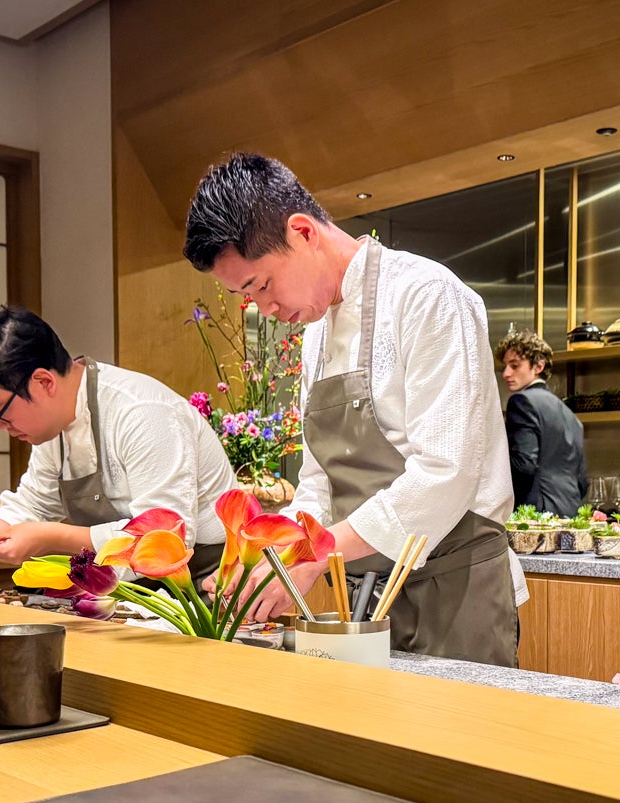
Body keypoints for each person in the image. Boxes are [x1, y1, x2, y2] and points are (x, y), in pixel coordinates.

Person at [184, 152, 523, 667]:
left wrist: (314, 551)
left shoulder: (427, 295)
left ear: (302, 232)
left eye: (260, 286)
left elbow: (445, 473)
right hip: (367, 599)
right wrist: (275, 556)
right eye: (244, 296)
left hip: (456, 590)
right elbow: (319, 482)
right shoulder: (317, 332)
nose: (264, 310)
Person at [0, 306, 237, 578]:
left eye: (0, 411)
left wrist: (52, 537)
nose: (0, 425)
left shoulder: (142, 412)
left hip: (204, 586)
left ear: (44, 382)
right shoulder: (53, 425)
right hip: (124, 590)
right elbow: (34, 502)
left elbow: (165, 542)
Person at [497, 330, 588, 517]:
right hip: (572, 513)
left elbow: (523, 466)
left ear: (538, 366)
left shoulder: (522, 402)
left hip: (536, 514)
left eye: (515, 365)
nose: (506, 373)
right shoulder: (571, 416)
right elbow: (582, 481)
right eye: (505, 366)